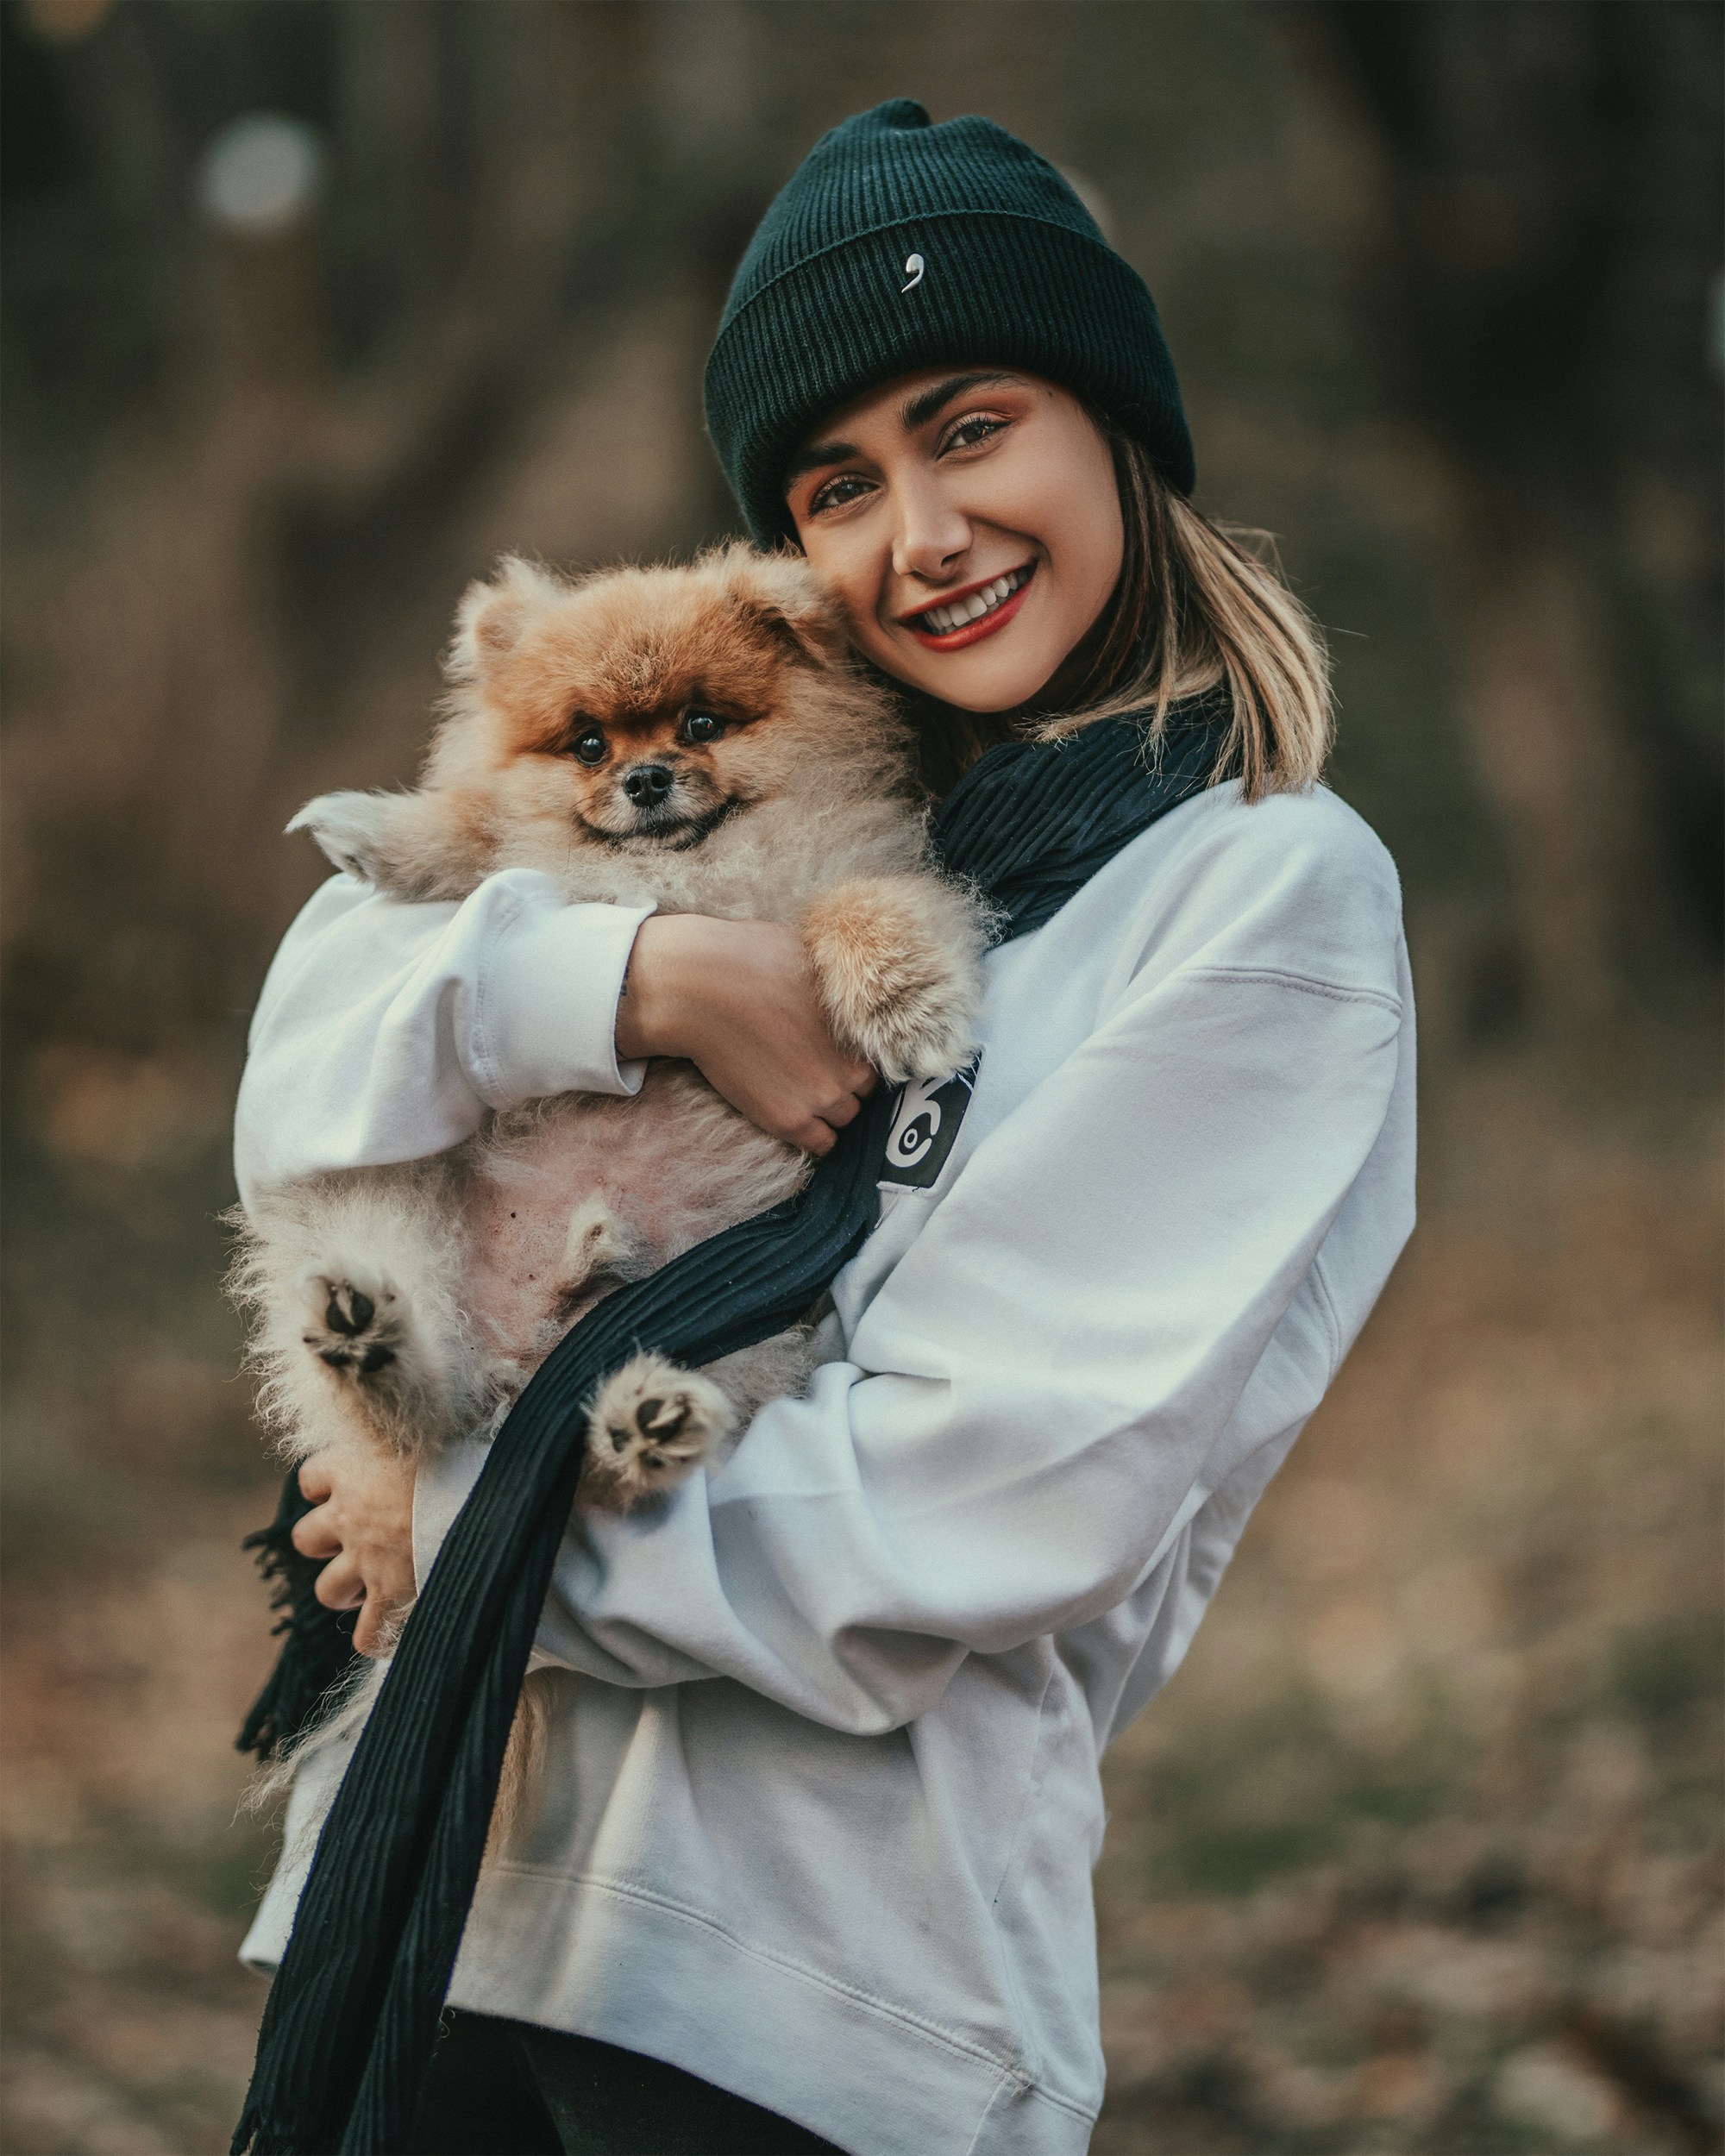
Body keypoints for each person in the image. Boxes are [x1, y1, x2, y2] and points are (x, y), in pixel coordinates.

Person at [235, 101, 1414, 2156]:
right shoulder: (774, 814)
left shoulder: (1257, 892)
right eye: (836, 483)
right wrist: (628, 984)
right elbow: (315, 1033)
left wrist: (473, 1537)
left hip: (806, 1976)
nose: (920, 532)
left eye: (974, 428)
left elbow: (1009, 1482)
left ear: (1114, 427)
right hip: (440, 1868)